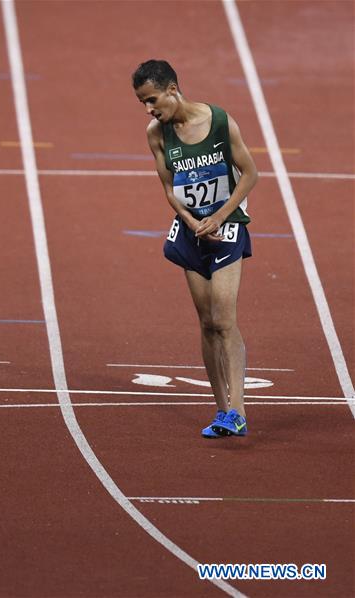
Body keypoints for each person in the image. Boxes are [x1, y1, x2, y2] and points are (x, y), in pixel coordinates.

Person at [132, 59, 258, 438]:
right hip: (192, 231)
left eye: (152, 99)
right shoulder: (156, 134)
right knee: (206, 323)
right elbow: (169, 187)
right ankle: (222, 410)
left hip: (227, 226)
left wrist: (219, 216)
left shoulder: (219, 122)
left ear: (172, 89)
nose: (148, 109)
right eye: (142, 102)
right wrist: (189, 221)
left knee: (224, 320)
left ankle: (238, 410)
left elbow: (250, 174)